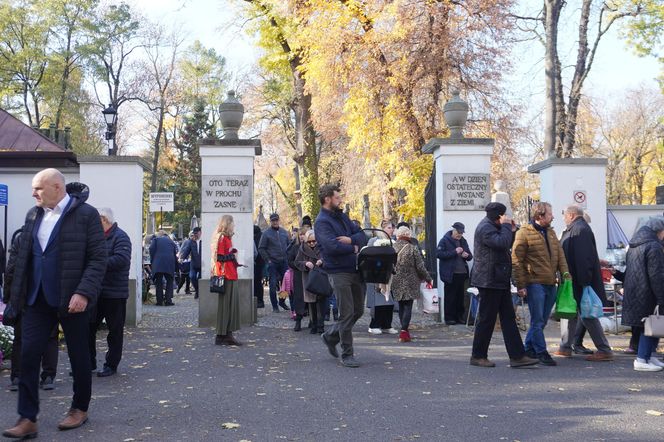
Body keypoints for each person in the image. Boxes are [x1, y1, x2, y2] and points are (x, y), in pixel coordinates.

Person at [2, 169, 107, 438]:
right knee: (26, 356)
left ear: (57, 188)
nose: (33, 193)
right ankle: (28, 418)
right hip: (36, 298)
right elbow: (21, 256)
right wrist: (12, 294)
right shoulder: (33, 214)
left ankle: (79, 409)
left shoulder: (86, 215)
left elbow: (97, 259)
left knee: (79, 356)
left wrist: (83, 292)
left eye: (38, 188)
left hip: (72, 299)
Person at [469, 202, 538, 368]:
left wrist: (511, 230)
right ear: (499, 215)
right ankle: (478, 355)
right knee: (487, 319)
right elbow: (502, 243)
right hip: (489, 280)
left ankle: (517, 356)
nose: (506, 217)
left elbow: (505, 243)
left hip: (498, 279)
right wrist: (507, 227)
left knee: (508, 319)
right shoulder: (485, 227)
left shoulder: (492, 226)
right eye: (504, 215)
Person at [316, 184, 368, 368]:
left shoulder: (343, 217)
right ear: (328, 199)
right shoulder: (322, 222)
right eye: (337, 197)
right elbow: (331, 247)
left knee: (358, 311)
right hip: (338, 272)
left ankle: (331, 336)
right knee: (346, 313)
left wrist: (352, 241)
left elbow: (362, 235)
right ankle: (347, 354)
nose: (340, 200)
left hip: (355, 269)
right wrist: (354, 247)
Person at [511, 202, 569, 366]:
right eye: (550, 214)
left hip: (551, 282)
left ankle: (528, 348)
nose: (553, 217)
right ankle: (541, 352)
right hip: (535, 283)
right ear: (540, 215)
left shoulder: (550, 232)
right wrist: (521, 284)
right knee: (537, 320)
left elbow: (560, 255)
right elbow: (517, 259)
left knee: (542, 320)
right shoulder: (524, 233)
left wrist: (565, 274)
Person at [554, 205, 614, 361]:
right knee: (571, 312)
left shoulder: (579, 230)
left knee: (587, 315)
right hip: (574, 280)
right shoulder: (578, 228)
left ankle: (604, 349)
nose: (563, 218)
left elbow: (583, 258)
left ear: (572, 215)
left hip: (578, 281)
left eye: (565, 215)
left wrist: (584, 281)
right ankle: (565, 347)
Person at [3, 228, 59, 392]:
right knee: (50, 336)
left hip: (24, 294)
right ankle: (48, 376)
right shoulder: (55, 237)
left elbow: (11, 269)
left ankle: (18, 377)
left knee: (21, 338)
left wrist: (8, 297)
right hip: (49, 293)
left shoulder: (22, 239)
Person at [89, 208, 131, 378]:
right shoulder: (96, 237)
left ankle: (111, 364)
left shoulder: (121, 237)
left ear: (104, 219)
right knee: (88, 328)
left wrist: (97, 264)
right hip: (96, 291)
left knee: (114, 331)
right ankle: (88, 362)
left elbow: (121, 260)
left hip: (115, 293)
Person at [621, 217, 664, 371]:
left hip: (636, 291)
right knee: (651, 323)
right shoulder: (654, 246)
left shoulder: (634, 244)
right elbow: (657, 275)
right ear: (660, 231)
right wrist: (661, 297)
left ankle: (649, 356)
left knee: (651, 323)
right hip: (648, 292)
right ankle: (641, 359)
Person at [392, 226, 433, 343]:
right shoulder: (412, 248)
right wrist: (428, 278)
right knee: (408, 306)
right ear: (408, 235)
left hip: (396, 280)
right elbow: (420, 267)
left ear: (398, 235)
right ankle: (404, 331)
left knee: (400, 305)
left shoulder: (392, 247)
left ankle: (403, 331)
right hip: (410, 281)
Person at [211, 215, 242, 346]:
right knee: (227, 306)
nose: (233, 226)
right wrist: (232, 255)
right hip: (227, 276)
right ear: (227, 224)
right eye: (232, 223)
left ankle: (225, 334)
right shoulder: (222, 238)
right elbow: (219, 257)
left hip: (230, 274)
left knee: (229, 306)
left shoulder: (224, 237)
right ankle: (224, 335)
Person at [436, 222, 473, 325]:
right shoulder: (444, 240)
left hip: (462, 274)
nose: (459, 235)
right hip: (450, 274)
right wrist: (454, 252)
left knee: (460, 297)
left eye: (461, 233)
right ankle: (449, 318)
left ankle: (459, 317)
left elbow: (470, 256)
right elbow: (439, 254)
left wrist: (467, 255)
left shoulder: (463, 241)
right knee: (450, 297)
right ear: (454, 230)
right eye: (458, 232)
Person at [366, 220, 398, 335]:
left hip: (389, 275)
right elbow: (368, 256)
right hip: (376, 275)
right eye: (389, 227)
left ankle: (387, 325)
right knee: (378, 301)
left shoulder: (393, 241)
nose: (392, 230)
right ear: (383, 228)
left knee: (389, 301)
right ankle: (374, 324)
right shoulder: (373, 241)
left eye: (392, 227)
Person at [295, 229, 327, 334]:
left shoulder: (322, 248)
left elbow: (329, 259)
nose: (312, 243)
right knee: (311, 303)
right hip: (309, 279)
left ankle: (320, 326)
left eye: (314, 241)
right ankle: (314, 325)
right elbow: (297, 262)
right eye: (309, 242)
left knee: (321, 303)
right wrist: (305, 263)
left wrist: (322, 261)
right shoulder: (302, 249)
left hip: (321, 278)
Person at [258, 213, 290, 312]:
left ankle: (282, 300)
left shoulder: (284, 232)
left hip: (284, 262)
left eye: (276, 220)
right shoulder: (266, 233)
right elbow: (261, 248)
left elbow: (289, 247)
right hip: (273, 263)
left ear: (279, 220)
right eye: (273, 220)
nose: (275, 222)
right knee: (272, 284)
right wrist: (268, 260)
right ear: (271, 221)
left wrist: (289, 258)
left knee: (286, 284)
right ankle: (275, 306)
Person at [288, 225, 310, 331]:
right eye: (300, 235)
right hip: (298, 275)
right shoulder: (295, 247)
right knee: (299, 297)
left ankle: (313, 321)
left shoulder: (312, 246)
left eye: (303, 235)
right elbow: (290, 261)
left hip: (310, 275)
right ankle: (298, 320)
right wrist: (299, 265)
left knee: (311, 297)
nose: (301, 237)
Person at [149, 230, 178, 306]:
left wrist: (153, 259)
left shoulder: (156, 240)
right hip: (169, 263)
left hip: (158, 263)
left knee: (158, 282)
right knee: (169, 281)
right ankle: (168, 301)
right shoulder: (171, 241)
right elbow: (175, 253)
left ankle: (159, 301)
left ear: (159, 235)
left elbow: (151, 249)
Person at [179, 227, 202, 299]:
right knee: (192, 277)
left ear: (200, 233)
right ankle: (197, 290)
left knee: (199, 278)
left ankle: (198, 292)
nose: (195, 235)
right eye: (194, 234)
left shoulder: (204, 241)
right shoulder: (191, 242)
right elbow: (186, 251)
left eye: (196, 233)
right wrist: (182, 258)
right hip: (194, 263)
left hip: (202, 264)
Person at [253, 225, 266, 308]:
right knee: (258, 282)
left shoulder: (254, 239)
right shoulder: (261, 236)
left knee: (256, 282)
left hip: (256, 262)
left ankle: (258, 300)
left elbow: (255, 253)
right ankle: (260, 301)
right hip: (261, 262)